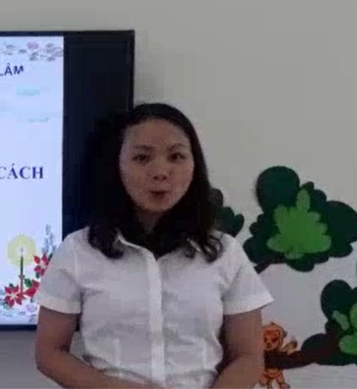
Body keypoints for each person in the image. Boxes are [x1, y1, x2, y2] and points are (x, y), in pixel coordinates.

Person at [33, 102, 273, 389]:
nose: (160, 171)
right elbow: (49, 353)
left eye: (176, 156)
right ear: (117, 165)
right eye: (142, 158)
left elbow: (248, 357)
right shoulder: (78, 250)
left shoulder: (225, 252)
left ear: (194, 165)